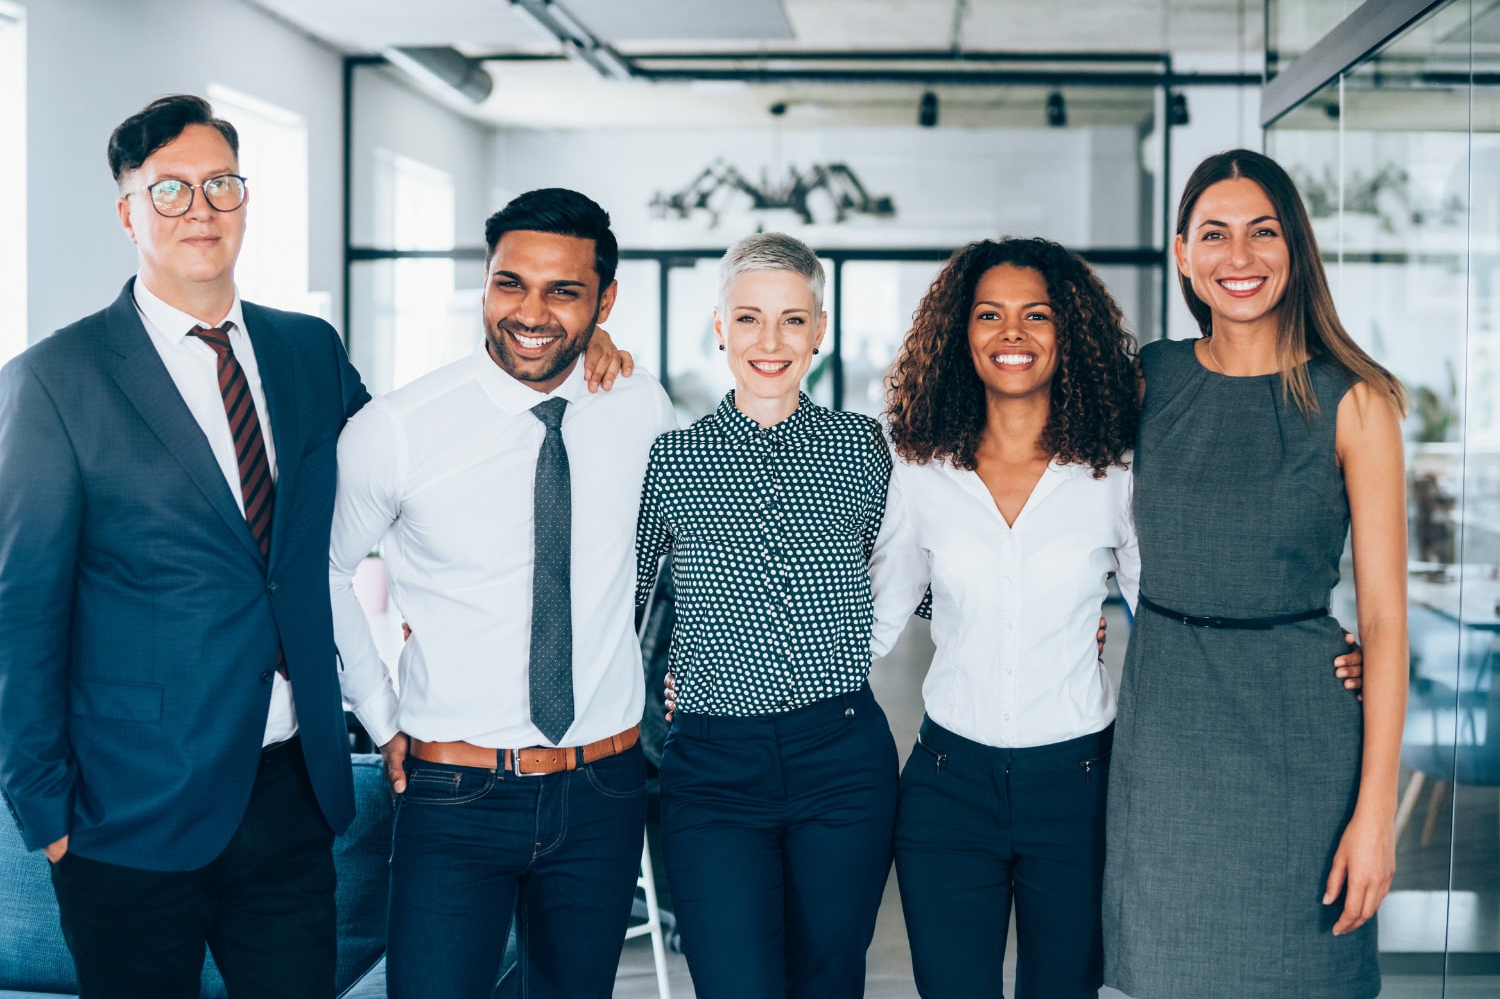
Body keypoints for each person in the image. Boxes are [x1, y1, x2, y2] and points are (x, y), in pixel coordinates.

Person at [0, 94, 369, 997]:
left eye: (219, 183)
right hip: (127, 809)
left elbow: (412, 466)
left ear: (245, 198)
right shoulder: (55, 380)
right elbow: (20, 613)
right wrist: (47, 814)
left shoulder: (307, 351)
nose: (199, 207)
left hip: (291, 794)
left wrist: (567, 362)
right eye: (169, 190)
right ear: (127, 211)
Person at [329, 187, 676, 999]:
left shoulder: (641, 406)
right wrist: (381, 719)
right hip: (455, 794)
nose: (531, 312)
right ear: (485, 283)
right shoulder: (400, 427)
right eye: (510, 283)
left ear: (605, 300)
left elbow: (671, 556)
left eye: (565, 291)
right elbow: (326, 572)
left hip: (604, 788)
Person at [1103, 149, 1409, 999]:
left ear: (1295, 246)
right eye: (1215, 234)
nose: (1240, 258)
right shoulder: (1147, 380)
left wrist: (1376, 817)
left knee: (1304, 974)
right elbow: (1058, 501)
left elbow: (1384, 619)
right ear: (1183, 255)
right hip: (1166, 735)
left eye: (1262, 232)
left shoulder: (1355, 400)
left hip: (1299, 737)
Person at [635, 232, 908, 999]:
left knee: (828, 981)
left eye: (793, 320)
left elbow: (921, 575)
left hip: (842, 761)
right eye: (749, 318)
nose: (771, 340)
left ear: (820, 331)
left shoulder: (865, 450)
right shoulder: (672, 459)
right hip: (713, 771)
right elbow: (613, 600)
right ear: (719, 327)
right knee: (734, 983)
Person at [875, 237, 1141, 999]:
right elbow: (877, 616)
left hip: (1079, 790)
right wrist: (736, 688)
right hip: (947, 788)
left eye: (1037, 315)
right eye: (990, 315)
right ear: (961, 332)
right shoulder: (919, 467)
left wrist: (1297, 649)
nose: (1012, 334)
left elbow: (1165, 609)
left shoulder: (1113, 470)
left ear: (1071, 332)